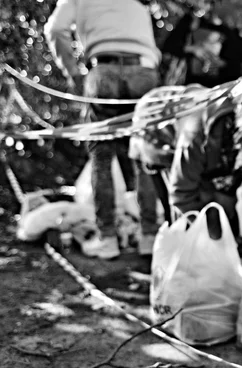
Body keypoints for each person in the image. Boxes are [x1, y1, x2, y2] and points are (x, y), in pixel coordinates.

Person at [44, 0, 162, 259]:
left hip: (103, 70)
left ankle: (107, 238)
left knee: (101, 156)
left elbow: (55, 30)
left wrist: (73, 73)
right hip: (145, 72)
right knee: (145, 156)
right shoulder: (137, 6)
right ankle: (150, 236)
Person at [168, 94, 242, 249]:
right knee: (200, 228)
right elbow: (180, 196)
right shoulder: (196, 136)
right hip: (164, 146)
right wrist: (216, 238)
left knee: (225, 207)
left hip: (217, 161)